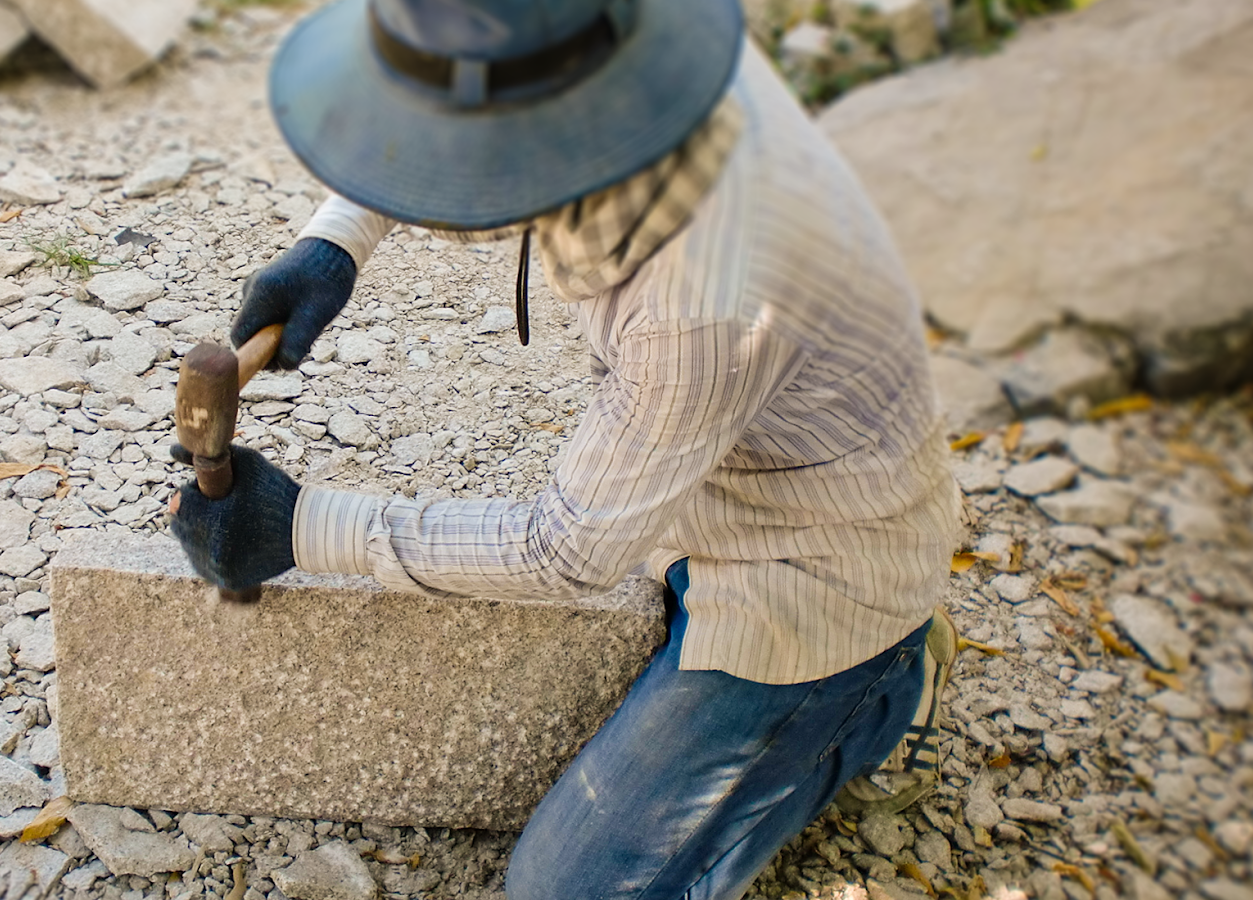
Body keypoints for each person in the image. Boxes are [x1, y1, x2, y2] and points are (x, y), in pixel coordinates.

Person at [169, 1, 964, 897]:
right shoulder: (632, 47)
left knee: (564, 889)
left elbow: (570, 549)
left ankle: (882, 690)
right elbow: (443, 95)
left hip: (818, 564)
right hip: (729, 468)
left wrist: (302, 526)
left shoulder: (706, 298)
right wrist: (337, 237)